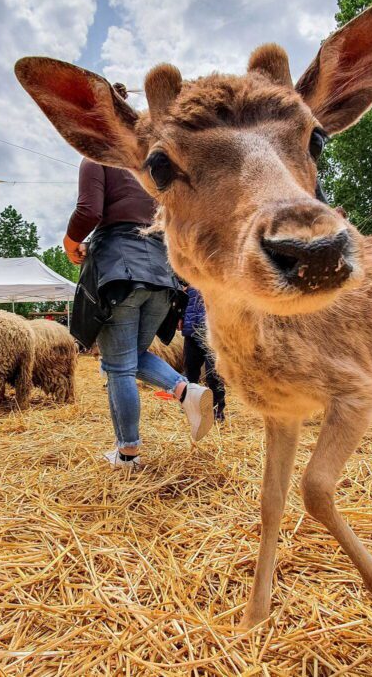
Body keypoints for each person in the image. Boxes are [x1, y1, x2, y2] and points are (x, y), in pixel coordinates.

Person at [67, 92, 213, 468]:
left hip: (119, 269)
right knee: (129, 357)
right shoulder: (157, 163)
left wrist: (70, 242)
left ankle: (128, 452)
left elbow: (89, 209)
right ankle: (186, 390)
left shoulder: (96, 157)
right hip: (163, 273)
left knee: (117, 367)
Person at [181, 285, 226, 421]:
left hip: (212, 333)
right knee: (190, 372)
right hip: (191, 332)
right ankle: (191, 406)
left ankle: (217, 408)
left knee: (212, 374)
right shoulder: (189, 282)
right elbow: (184, 303)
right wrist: (181, 317)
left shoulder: (216, 282)